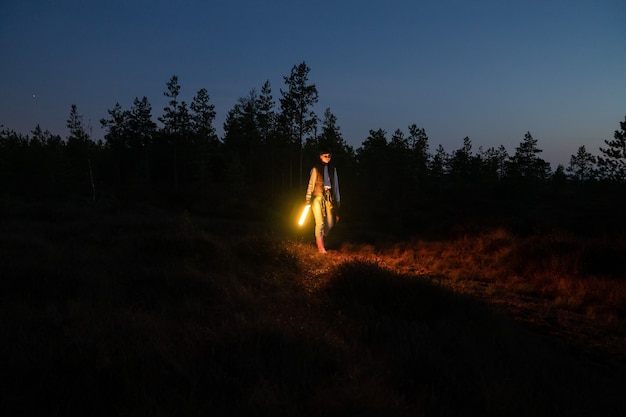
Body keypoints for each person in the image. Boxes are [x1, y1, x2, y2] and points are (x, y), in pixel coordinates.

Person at [305, 149, 341, 253]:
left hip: (329, 197)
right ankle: (321, 248)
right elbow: (311, 184)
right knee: (319, 222)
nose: (327, 157)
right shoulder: (315, 169)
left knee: (329, 223)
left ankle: (320, 236)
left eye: (329, 156)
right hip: (317, 196)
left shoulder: (333, 170)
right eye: (325, 156)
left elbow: (336, 186)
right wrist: (307, 198)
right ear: (320, 156)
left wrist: (337, 199)